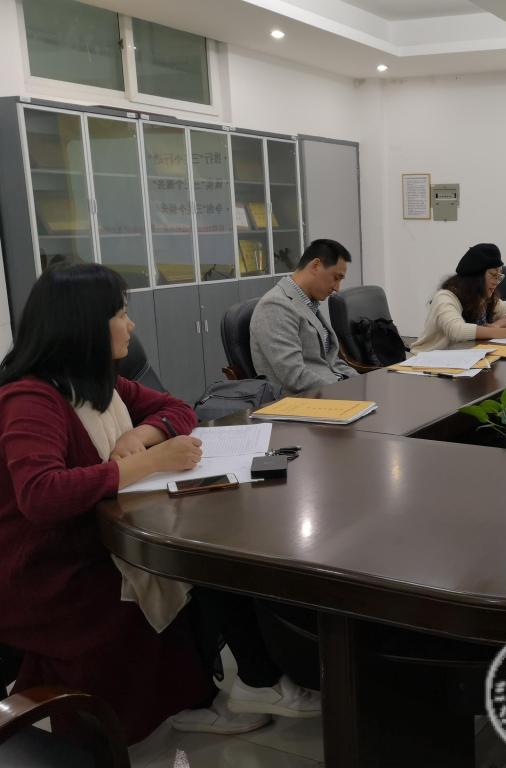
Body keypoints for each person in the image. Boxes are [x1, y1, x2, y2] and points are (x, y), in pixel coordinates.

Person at [0, 265, 318, 744]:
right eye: (121, 314)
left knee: (211, 555)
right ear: (85, 325)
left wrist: (141, 435)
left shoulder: (97, 382)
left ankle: (241, 683)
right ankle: (216, 692)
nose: (131, 325)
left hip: (102, 535)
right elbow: (41, 494)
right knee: (196, 566)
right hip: (50, 571)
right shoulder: (30, 398)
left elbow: (178, 408)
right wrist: (148, 463)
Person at [250, 238, 358, 394]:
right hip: (305, 400)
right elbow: (294, 376)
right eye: (336, 278)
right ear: (315, 266)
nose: (337, 288)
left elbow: (331, 361)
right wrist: (343, 391)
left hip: (330, 391)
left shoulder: (307, 302)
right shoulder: (275, 306)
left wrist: (362, 382)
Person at [410, 243, 506, 354]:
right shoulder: (445, 298)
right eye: (493, 275)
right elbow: (457, 331)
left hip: (463, 358)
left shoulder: (483, 298)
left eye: (499, 276)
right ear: (476, 276)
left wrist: (496, 326)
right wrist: (505, 333)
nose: (496, 282)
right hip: (427, 361)